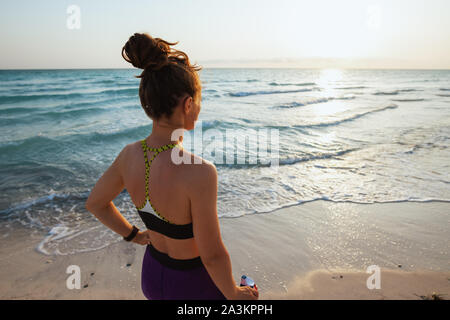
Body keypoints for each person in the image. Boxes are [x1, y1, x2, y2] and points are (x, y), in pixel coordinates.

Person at [85, 33, 258, 300]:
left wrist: (134, 235)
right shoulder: (199, 172)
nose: (199, 107)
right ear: (189, 104)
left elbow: (96, 203)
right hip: (193, 283)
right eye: (199, 101)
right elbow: (212, 254)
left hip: (152, 275)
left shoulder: (128, 156)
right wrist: (234, 294)